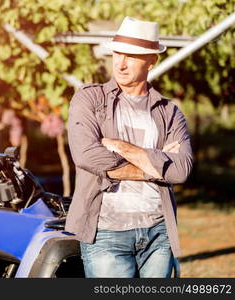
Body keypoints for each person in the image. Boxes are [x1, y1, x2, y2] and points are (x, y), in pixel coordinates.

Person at [66, 16, 193, 278]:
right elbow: (87, 155)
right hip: (106, 232)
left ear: (151, 61)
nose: (121, 64)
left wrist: (121, 147)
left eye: (132, 56)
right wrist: (156, 168)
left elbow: (180, 171)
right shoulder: (90, 98)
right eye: (117, 53)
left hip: (158, 232)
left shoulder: (169, 112)